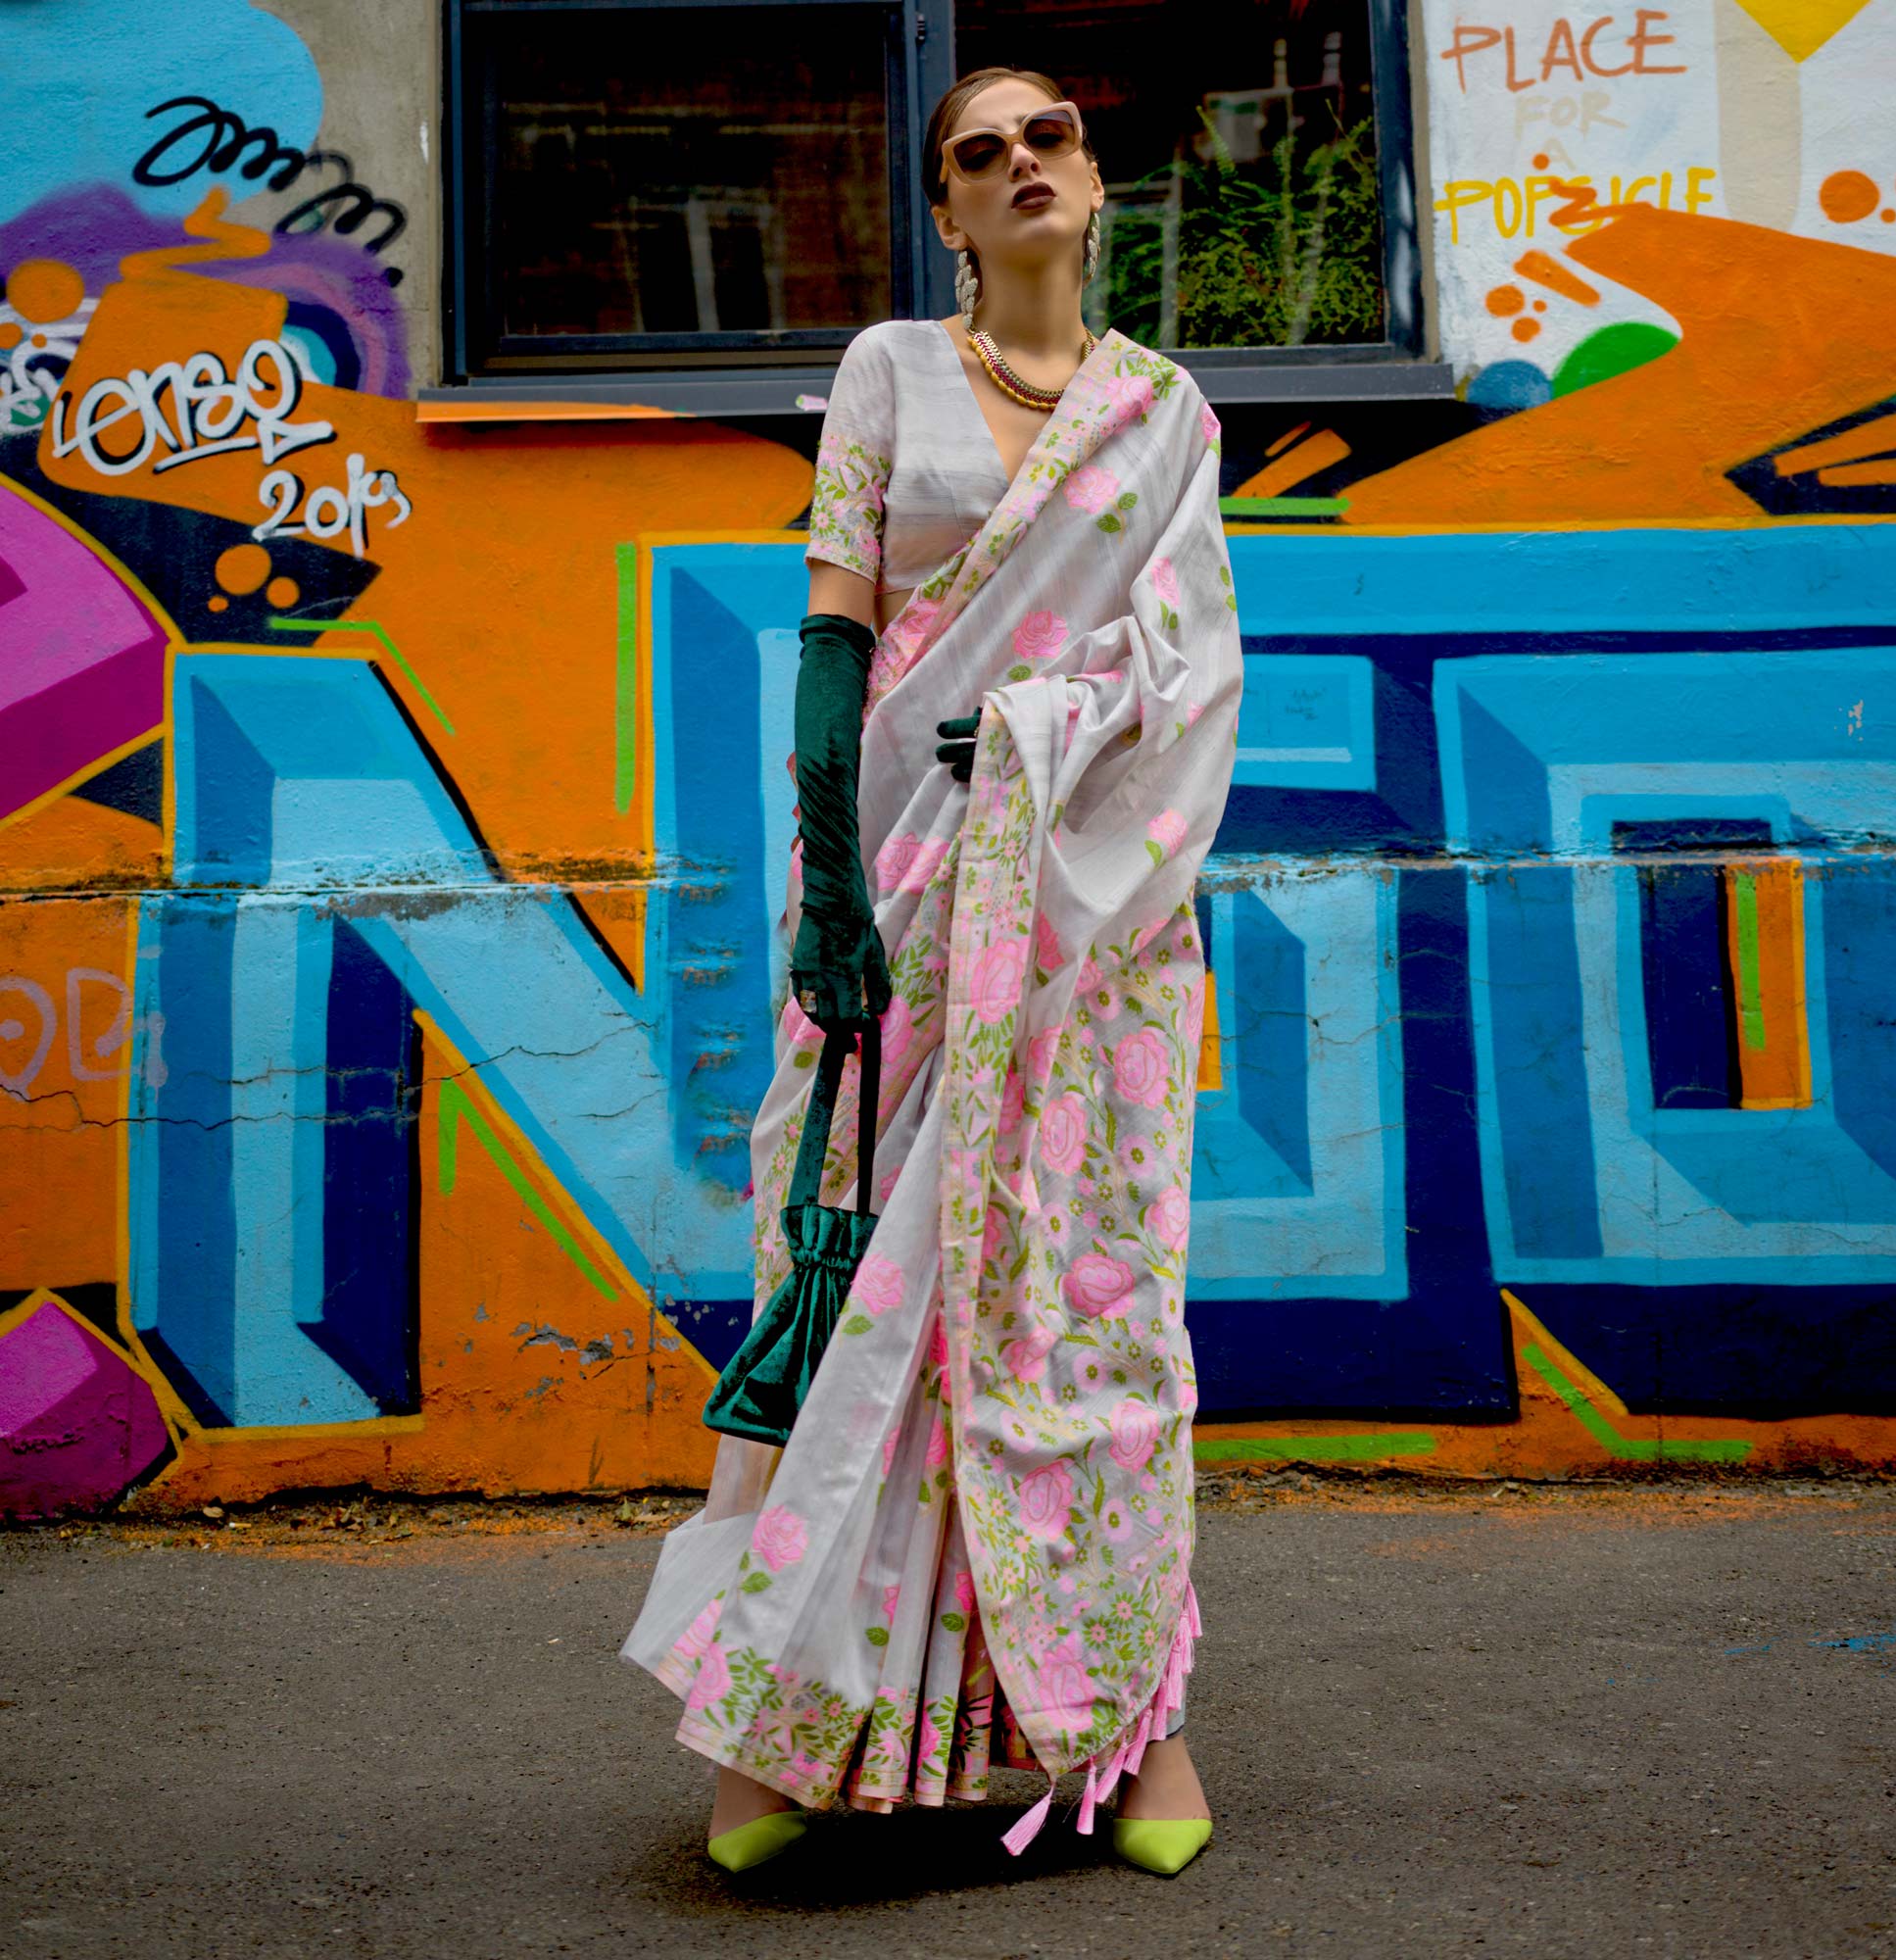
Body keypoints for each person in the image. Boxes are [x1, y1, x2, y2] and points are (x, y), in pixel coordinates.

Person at [620, 64, 1243, 1882]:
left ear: (1095, 181)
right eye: (981, 154)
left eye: (1047, 136)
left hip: (1088, 929)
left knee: (1081, 1307)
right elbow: (835, 636)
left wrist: (1055, 731)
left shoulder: (1169, 413)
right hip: (895, 899)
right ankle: (784, 1735)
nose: (1022, 164)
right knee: (854, 1286)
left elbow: (1194, 675)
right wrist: (830, 900)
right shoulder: (892, 371)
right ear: (951, 218)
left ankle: (1130, 1728)